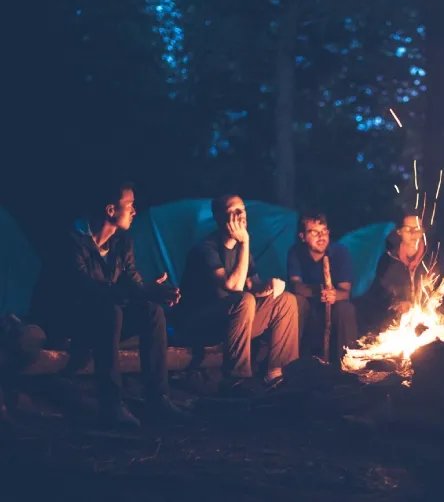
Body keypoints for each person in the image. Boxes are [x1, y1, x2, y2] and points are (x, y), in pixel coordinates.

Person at [30, 182, 188, 428]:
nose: (135, 211)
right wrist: (140, 290)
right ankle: (112, 404)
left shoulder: (121, 242)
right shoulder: (72, 240)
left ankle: (158, 399)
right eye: (130, 205)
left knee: (152, 312)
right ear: (110, 210)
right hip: (68, 323)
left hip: (104, 321)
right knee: (110, 311)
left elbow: (131, 281)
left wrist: (149, 291)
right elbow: (83, 289)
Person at [176, 194, 299, 396]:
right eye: (233, 211)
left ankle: (277, 375)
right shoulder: (206, 249)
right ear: (218, 217)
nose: (240, 215)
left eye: (242, 210)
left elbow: (252, 284)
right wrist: (245, 242)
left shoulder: (243, 251)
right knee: (243, 299)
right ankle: (237, 379)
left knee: (286, 300)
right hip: (201, 324)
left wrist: (270, 287)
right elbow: (233, 286)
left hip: (235, 323)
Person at [287, 211, 358, 362]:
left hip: (333, 306)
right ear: (303, 236)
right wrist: (318, 292)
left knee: (345, 308)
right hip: (309, 305)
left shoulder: (340, 252)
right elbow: (295, 285)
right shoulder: (296, 253)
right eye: (314, 232)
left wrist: (334, 295)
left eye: (324, 231)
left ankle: (348, 362)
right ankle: (291, 361)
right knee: (295, 302)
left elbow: (345, 291)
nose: (322, 237)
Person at [364, 211, 439, 328]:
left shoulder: (434, 258)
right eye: (408, 229)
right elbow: (379, 294)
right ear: (399, 232)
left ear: (423, 231)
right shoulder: (388, 260)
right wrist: (396, 304)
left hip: (430, 319)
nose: (413, 233)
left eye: (418, 229)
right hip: (397, 322)